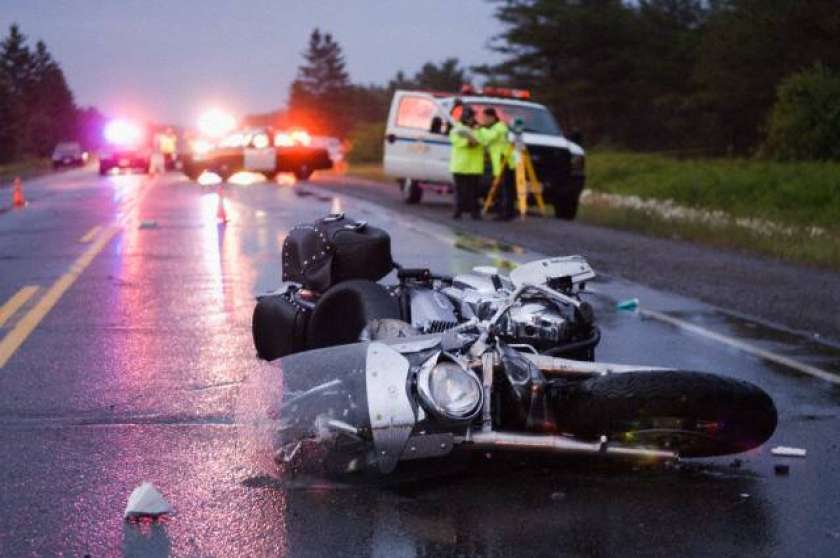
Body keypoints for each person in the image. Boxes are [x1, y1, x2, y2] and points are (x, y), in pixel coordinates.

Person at [476, 107, 515, 220]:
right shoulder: (493, 127)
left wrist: (480, 128)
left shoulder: (500, 127)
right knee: (500, 188)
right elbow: (483, 140)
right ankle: (503, 211)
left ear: (492, 117)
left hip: (504, 160)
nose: (484, 120)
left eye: (485, 118)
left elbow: (489, 137)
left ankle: (506, 213)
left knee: (506, 189)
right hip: (498, 161)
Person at [448, 106, 483, 220]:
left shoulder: (479, 129)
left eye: (472, 117)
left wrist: (476, 139)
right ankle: (458, 212)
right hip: (460, 165)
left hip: (474, 167)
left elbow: (484, 140)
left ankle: (475, 213)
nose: (471, 120)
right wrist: (468, 142)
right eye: (469, 117)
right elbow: (455, 141)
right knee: (460, 191)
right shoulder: (457, 129)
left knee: (474, 192)